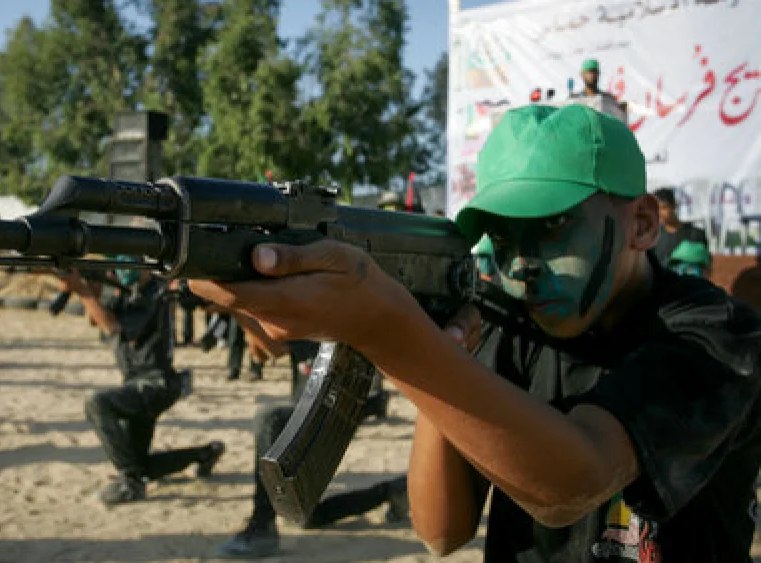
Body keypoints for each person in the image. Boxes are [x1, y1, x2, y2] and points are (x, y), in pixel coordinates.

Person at [190, 104, 761, 561]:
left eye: (552, 226)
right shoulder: (510, 319)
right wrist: (438, 351)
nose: (521, 264)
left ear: (640, 223)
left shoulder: (715, 336)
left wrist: (396, 336)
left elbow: (575, 482)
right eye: (503, 236)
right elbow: (441, 531)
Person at [217, 334, 405, 558]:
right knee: (307, 516)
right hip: (311, 413)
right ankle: (391, 491)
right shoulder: (300, 309)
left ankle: (262, 526)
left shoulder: (320, 306)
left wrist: (241, 312)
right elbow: (271, 348)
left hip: (331, 413)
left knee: (271, 418)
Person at [70, 265, 224, 506]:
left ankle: (130, 483)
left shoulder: (154, 292)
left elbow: (112, 326)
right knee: (140, 464)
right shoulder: (127, 291)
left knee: (98, 403)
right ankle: (204, 453)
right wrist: (93, 287)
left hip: (155, 383)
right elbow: (95, 318)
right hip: (137, 383)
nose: (122, 269)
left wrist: (81, 291)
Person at [652, 187, 710, 266]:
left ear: (674, 206)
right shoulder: (653, 237)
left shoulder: (696, 234)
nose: (659, 213)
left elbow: (705, 265)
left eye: (663, 207)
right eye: (655, 209)